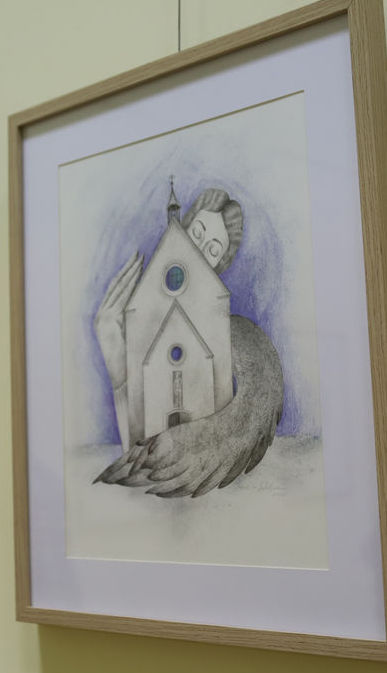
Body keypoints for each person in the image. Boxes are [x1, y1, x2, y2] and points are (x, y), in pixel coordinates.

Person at [92, 186, 284, 498]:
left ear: (219, 265)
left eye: (213, 250)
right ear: (182, 226)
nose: (198, 250)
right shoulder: (145, 300)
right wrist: (118, 369)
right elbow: (134, 452)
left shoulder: (216, 312)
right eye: (196, 233)